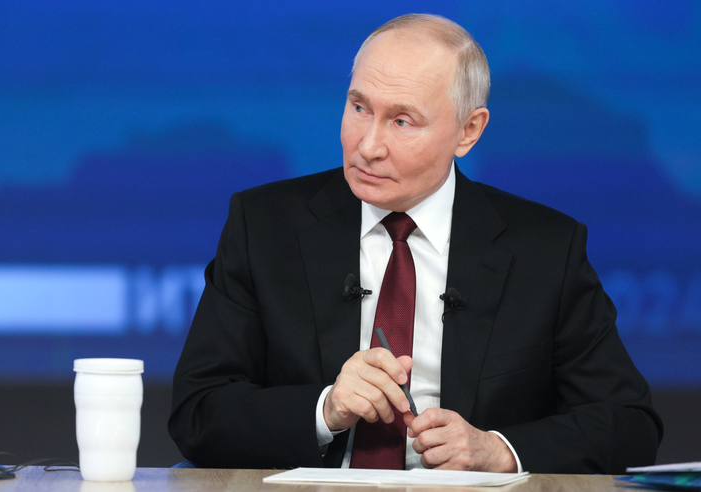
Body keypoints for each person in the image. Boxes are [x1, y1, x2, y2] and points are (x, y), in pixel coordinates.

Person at [169, 14, 662, 473]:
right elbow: (198, 411)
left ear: (468, 131)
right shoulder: (264, 227)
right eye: (359, 108)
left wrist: (497, 450)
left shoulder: (545, 249)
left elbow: (629, 424)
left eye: (402, 121)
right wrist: (325, 409)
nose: (368, 146)